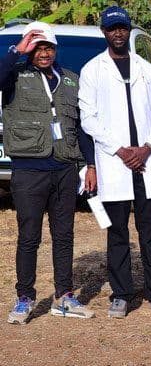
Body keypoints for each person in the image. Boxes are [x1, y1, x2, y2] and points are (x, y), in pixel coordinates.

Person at [79, 6, 151, 318]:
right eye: (112, 29)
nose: (118, 34)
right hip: (116, 164)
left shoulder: (145, 68)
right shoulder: (93, 70)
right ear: (104, 32)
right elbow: (89, 119)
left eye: (123, 28)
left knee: (149, 232)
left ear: (128, 30)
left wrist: (148, 146)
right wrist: (121, 150)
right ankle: (122, 294)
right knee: (117, 232)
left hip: (146, 163)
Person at [3, 22, 97, 324]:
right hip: (29, 169)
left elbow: (81, 128)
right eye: (38, 47)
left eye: (48, 47)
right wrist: (17, 49)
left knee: (64, 235)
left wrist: (89, 164)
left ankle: (65, 297)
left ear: (56, 50)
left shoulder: (70, 80)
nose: (44, 53)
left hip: (65, 168)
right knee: (29, 237)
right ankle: (24, 299)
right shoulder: (15, 75)